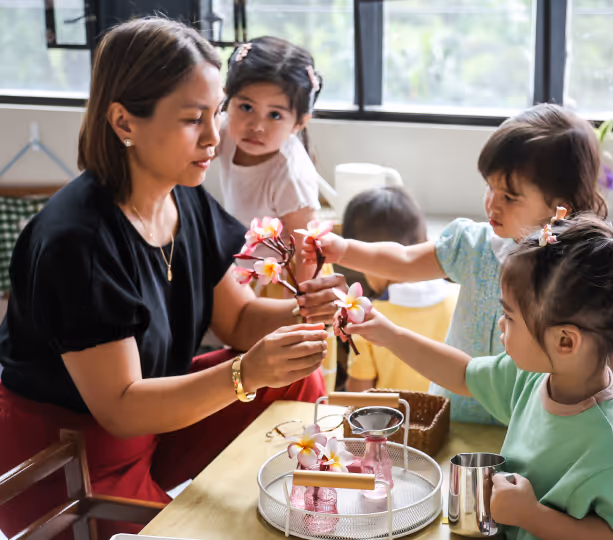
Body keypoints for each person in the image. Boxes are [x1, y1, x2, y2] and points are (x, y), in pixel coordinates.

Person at [0, 18, 346, 540]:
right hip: (74, 454)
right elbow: (120, 408)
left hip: (154, 422)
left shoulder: (183, 195)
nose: (215, 136)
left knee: (293, 372)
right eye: (193, 120)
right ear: (124, 122)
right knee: (196, 531)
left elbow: (240, 318)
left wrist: (308, 311)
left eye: (215, 113)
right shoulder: (78, 241)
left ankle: (296, 505)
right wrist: (246, 374)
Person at [300, 103, 613, 425]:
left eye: (509, 196)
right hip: (457, 407)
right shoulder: (471, 245)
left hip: (534, 423)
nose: (491, 203)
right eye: (489, 187)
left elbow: (612, 353)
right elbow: (402, 260)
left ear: (558, 207)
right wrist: (343, 250)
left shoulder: (577, 272)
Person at [344, 214, 613, 540]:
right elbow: (462, 374)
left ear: (565, 341)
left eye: (508, 316)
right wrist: (388, 334)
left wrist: (532, 516)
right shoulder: (531, 379)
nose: (501, 326)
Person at [218, 36, 325, 283]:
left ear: (299, 123)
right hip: (246, 266)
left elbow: (307, 252)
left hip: (287, 276)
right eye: (246, 107)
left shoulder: (290, 174)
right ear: (226, 100)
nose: (257, 126)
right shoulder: (226, 133)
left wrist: (299, 305)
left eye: (274, 115)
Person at [340, 187, 458, 393]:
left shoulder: (368, 318)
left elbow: (358, 395)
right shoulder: (461, 297)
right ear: (426, 242)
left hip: (393, 422)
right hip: (452, 417)